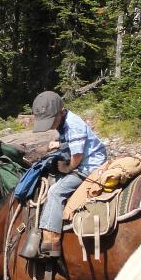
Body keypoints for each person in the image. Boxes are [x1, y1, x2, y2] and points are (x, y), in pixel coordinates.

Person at [31, 91, 108, 258]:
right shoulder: (65, 122)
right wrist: (59, 143)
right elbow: (72, 142)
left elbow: (77, 157)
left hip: (88, 168)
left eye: (51, 121)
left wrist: (66, 169)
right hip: (82, 161)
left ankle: (51, 241)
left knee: (55, 191)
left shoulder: (73, 124)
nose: (50, 126)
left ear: (61, 112)